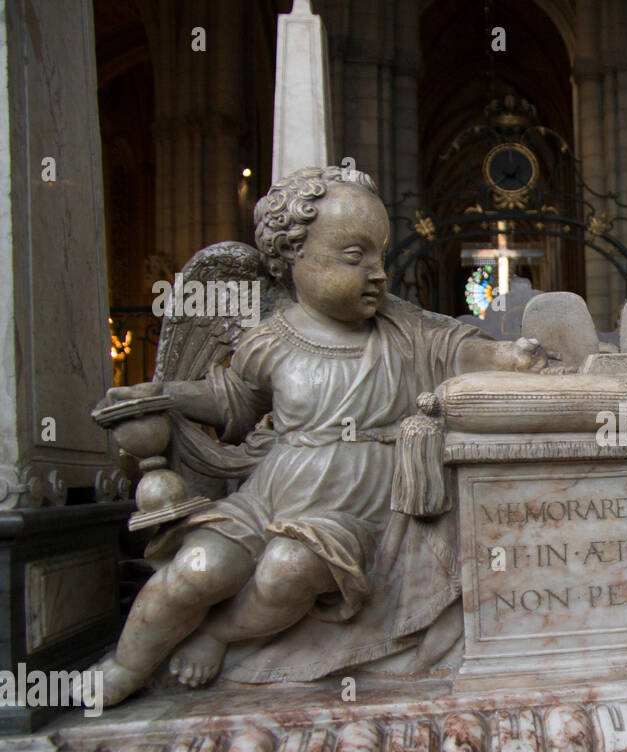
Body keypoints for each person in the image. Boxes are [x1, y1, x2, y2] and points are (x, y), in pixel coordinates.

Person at [96, 166, 545, 706]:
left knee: (290, 568)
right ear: (293, 262)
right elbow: (232, 399)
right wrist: (163, 395)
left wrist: (506, 354)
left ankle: (221, 634)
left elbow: (456, 348)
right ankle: (125, 669)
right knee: (199, 568)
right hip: (267, 495)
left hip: (352, 512)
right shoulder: (271, 340)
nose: (377, 274)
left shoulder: (403, 329)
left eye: (380, 256)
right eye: (354, 258)